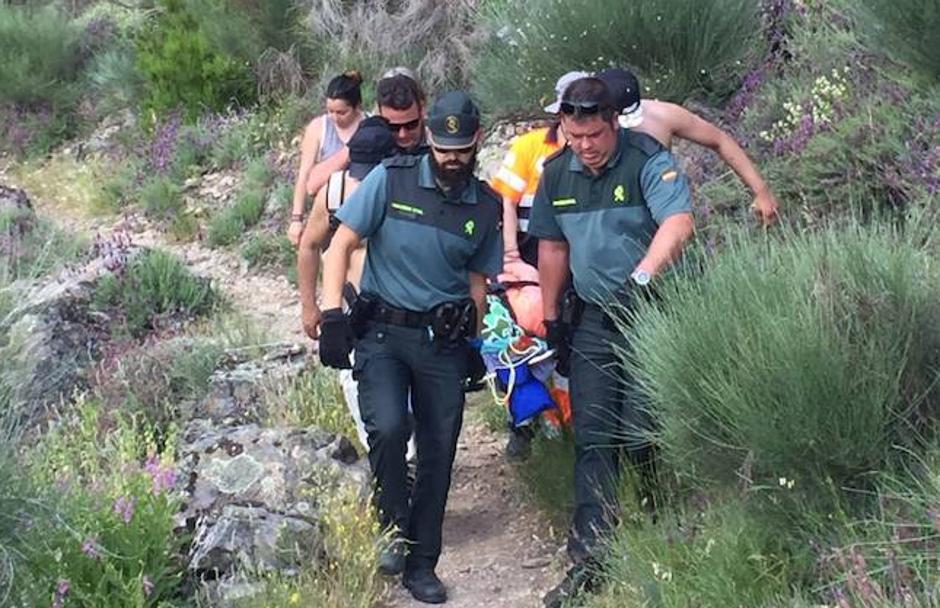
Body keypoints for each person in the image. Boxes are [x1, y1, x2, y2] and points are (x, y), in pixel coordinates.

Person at [318, 91, 502, 604]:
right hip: (382, 334)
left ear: (476, 141)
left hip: (442, 343)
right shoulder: (391, 179)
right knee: (388, 427)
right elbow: (340, 243)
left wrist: (475, 342)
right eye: (443, 149)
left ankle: (422, 564)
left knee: (439, 452)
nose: (451, 159)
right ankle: (392, 526)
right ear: (429, 141)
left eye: (461, 150)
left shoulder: (485, 205)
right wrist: (331, 315)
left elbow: (478, 283)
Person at [528, 77, 695, 607]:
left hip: (651, 310)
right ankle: (590, 559)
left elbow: (678, 224)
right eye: (574, 136)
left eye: (594, 135)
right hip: (594, 320)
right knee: (594, 436)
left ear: (613, 123)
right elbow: (552, 247)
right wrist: (552, 317)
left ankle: (661, 525)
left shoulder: (647, 160)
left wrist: (641, 278)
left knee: (643, 431)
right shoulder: (557, 173)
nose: (585, 146)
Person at [297, 115, 407, 454]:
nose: (364, 182)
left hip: (400, 306)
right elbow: (309, 246)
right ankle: (381, 456)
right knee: (354, 382)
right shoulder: (333, 192)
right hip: (350, 305)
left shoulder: (408, 191)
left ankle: (407, 458)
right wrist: (310, 306)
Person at [598, 67, 779, 224]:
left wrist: (761, 191)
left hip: (658, 216)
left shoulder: (661, 117)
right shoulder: (583, 135)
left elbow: (719, 140)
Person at [491, 71, 586, 268]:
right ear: (559, 113)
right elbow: (507, 202)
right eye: (571, 112)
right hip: (532, 251)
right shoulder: (528, 146)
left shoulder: (600, 150)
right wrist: (511, 254)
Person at [303, 70, 429, 203]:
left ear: (422, 110)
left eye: (411, 125)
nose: (402, 134)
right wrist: (356, 147)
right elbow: (312, 186)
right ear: (380, 113)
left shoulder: (434, 139)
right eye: (393, 127)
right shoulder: (372, 136)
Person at [288, 71, 366, 246]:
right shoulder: (319, 127)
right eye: (330, 111)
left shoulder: (370, 126)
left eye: (341, 112)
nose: (334, 117)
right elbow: (304, 174)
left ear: (357, 107)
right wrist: (296, 219)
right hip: (326, 212)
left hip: (361, 213)